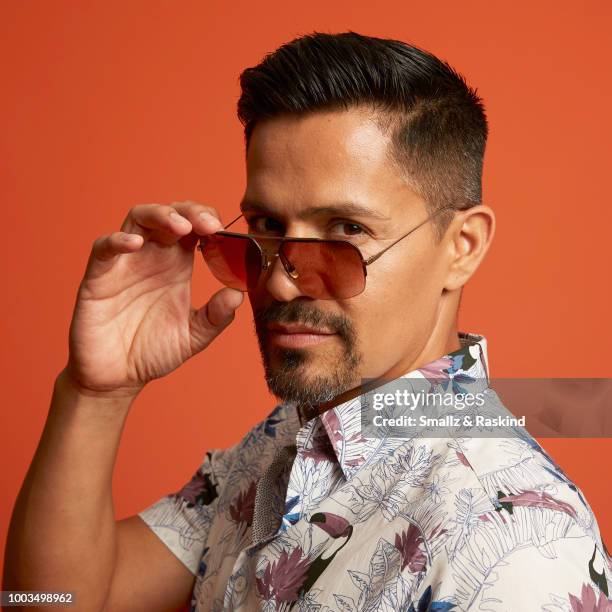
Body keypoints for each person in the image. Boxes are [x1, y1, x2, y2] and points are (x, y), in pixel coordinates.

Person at [4, 31, 611, 612]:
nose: (277, 280)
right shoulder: (283, 445)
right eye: (267, 226)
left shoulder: (518, 550)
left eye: (346, 230)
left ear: (463, 246)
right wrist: (95, 394)